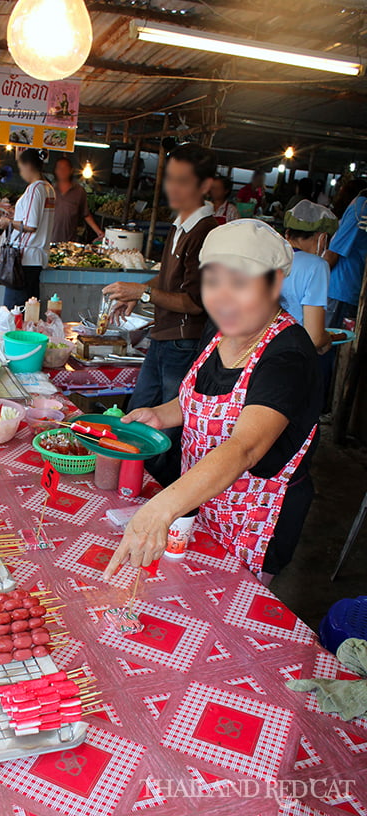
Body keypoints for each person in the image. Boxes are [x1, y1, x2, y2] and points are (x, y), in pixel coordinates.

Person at [103, 220, 322, 586]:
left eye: (239, 283)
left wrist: (161, 507)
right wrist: (160, 413)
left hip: (253, 521)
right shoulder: (220, 330)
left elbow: (245, 447)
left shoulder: (288, 356)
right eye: (213, 281)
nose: (223, 296)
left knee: (225, 615)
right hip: (199, 502)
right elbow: (199, 399)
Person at [103, 142, 218, 485]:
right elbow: (167, 277)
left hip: (183, 342)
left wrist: (144, 292)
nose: (172, 187)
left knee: (169, 427)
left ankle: (168, 493)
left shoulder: (205, 232)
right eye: (170, 178)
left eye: (182, 180)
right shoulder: (180, 224)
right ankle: (131, 482)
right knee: (137, 414)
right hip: (163, 337)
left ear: (204, 185)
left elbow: (196, 302)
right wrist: (139, 294)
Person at [0, 148, 56, 309]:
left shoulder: (35, 189)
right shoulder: (48, 188)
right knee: (29, 312)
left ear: (28, 166)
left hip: (24, 260)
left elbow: (30, 225)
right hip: (36, 258)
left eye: (21, 169)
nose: (21, 173)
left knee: (14, 312)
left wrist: (8, 222)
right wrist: (15, 215)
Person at [282, 200, 338, 350]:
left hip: (256, 349)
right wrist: (326, 339)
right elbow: (313, 338)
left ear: (288, 233)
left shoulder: (270, 255)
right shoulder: (316, 266)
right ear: (322, 238)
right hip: (290, 352)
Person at [323, 179, 367, 327]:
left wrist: (314, 279)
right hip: (350, 286)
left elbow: (333, 253)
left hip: (341, 287)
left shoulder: (359, 208)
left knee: (330, 338)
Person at [51, 156, 104, 242]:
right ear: (55, 171)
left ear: (71, 170)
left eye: (65, 168)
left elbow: (86, 214)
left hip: (69, 242)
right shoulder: (49, 190)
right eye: (59, 168)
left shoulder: (79, 191)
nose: (62, 171)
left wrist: (98, 231)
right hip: (48, 241)